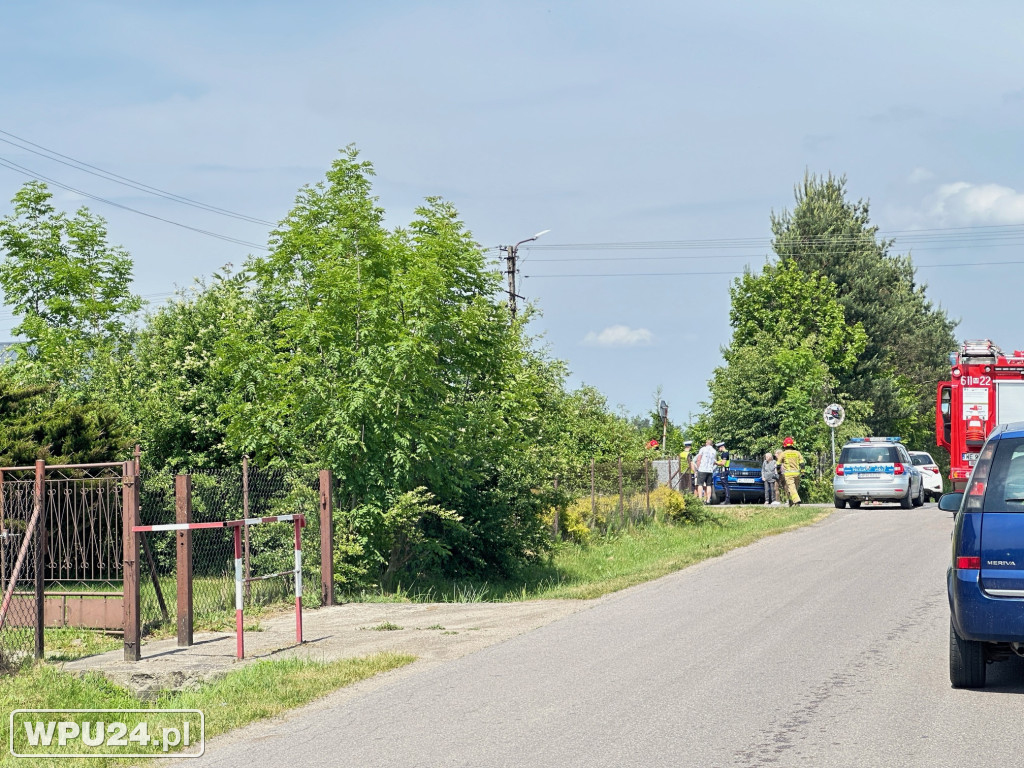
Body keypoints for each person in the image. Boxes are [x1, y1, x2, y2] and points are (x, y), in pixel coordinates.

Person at [778, 436, 805, 506]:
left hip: (788, 474)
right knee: (794, 489)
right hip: (797, 474)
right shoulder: (797, 453)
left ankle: (797, 500)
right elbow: (802, 463)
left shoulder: (783, 453)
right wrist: (803, 472)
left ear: (784, 445)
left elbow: (778, 464)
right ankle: (791, 502)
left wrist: (778, 472)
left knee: (792, 489)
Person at [695, 438, 717, 503]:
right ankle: (708, 500)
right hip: (710, 470)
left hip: (702, 469)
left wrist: (698, 468)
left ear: (706, 443)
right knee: (709, 485)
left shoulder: (702, 449)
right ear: (712, 444)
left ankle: (700, 499)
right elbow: (714, 461)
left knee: (700, 484)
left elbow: (699, 459)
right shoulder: (714, 451)